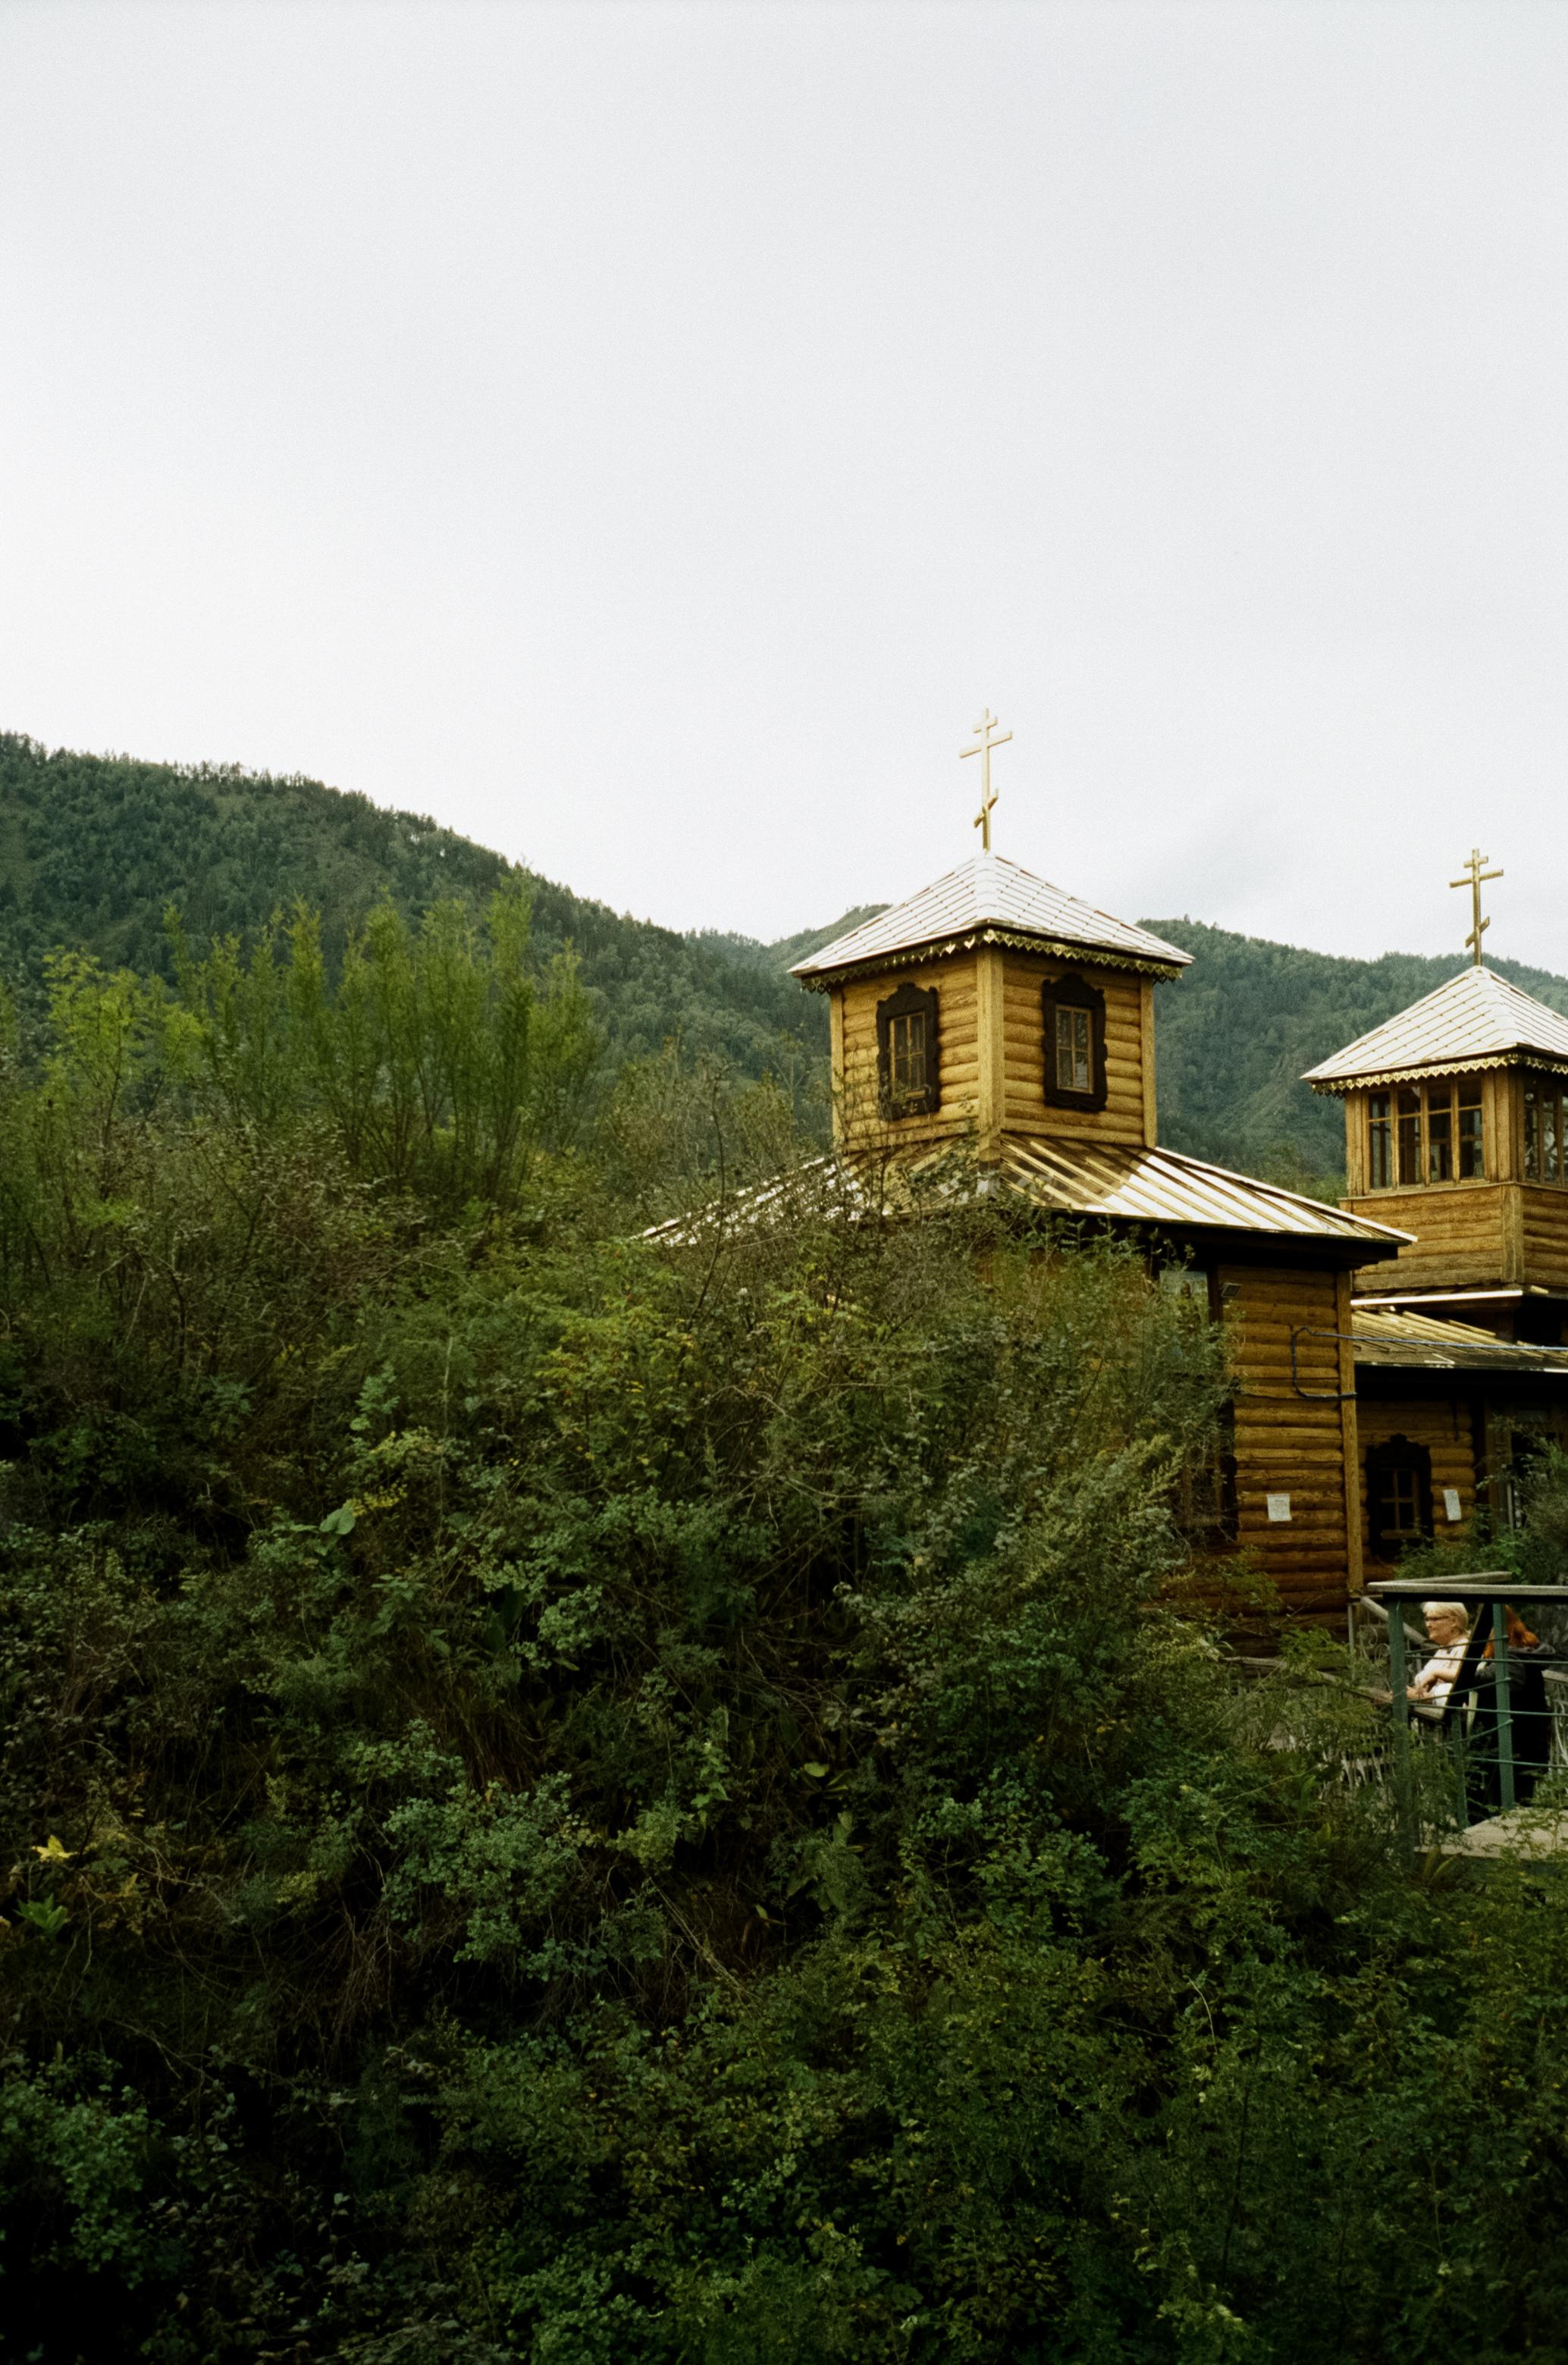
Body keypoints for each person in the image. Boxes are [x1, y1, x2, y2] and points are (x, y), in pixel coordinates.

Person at [1408, 1601, 1471, 1706]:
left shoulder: (1463, 1647)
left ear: (1454, 1621)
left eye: (1434, 1619)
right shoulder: (1443, 1649)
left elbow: (1465, 1678)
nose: (1428, 1625)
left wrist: (1436, 1674)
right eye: (1427, 1619)